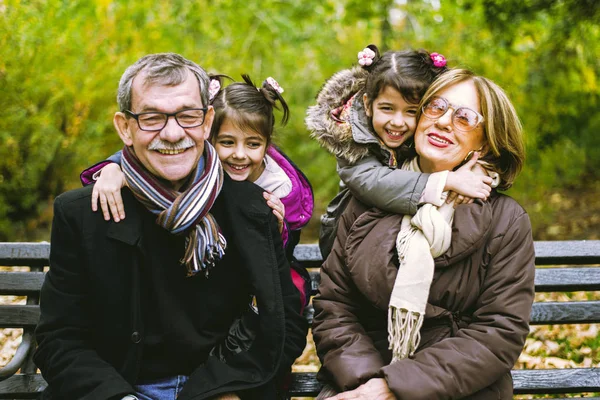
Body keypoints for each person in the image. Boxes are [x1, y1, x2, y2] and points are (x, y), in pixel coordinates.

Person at [34, 53, 307, 400]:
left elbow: (283, 322)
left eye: (187, 116)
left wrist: (232, 389)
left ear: (207, 122)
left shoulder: (253, 208)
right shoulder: (82, 214)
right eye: (152, 117)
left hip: (221, 389)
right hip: (116, 390)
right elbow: (61, 338)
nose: (173, 133)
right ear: (125, 127)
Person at [312, 68, 535, 399]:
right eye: (436, 107)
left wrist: (393, 387)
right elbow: (335, 307)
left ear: (485, 141)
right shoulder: (367, 200)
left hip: (459, 387)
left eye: (464, 117)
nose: (444, 121)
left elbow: (498, 332)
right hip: (358, 379)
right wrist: (367, 385)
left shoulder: (506, 219)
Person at [79, 74, 314, 312]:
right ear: (208, 136)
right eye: (227, 142)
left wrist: (278, 229)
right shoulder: (198, 165)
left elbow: (279, 258)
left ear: (267, 144)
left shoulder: (279, 189)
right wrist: (112, 167)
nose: (240, 154)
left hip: (252, 278)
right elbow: (149, 157)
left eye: (253, 144)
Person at [306, 45, 493, 259]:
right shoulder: (352, 140)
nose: (397, 122)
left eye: (411, 111)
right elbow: (373, 182)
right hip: (346, 241)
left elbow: (469, 156)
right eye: (387, 108)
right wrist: (446, 181)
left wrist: (478, 171)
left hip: (396, 236)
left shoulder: (423, 135)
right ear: (368, 105)